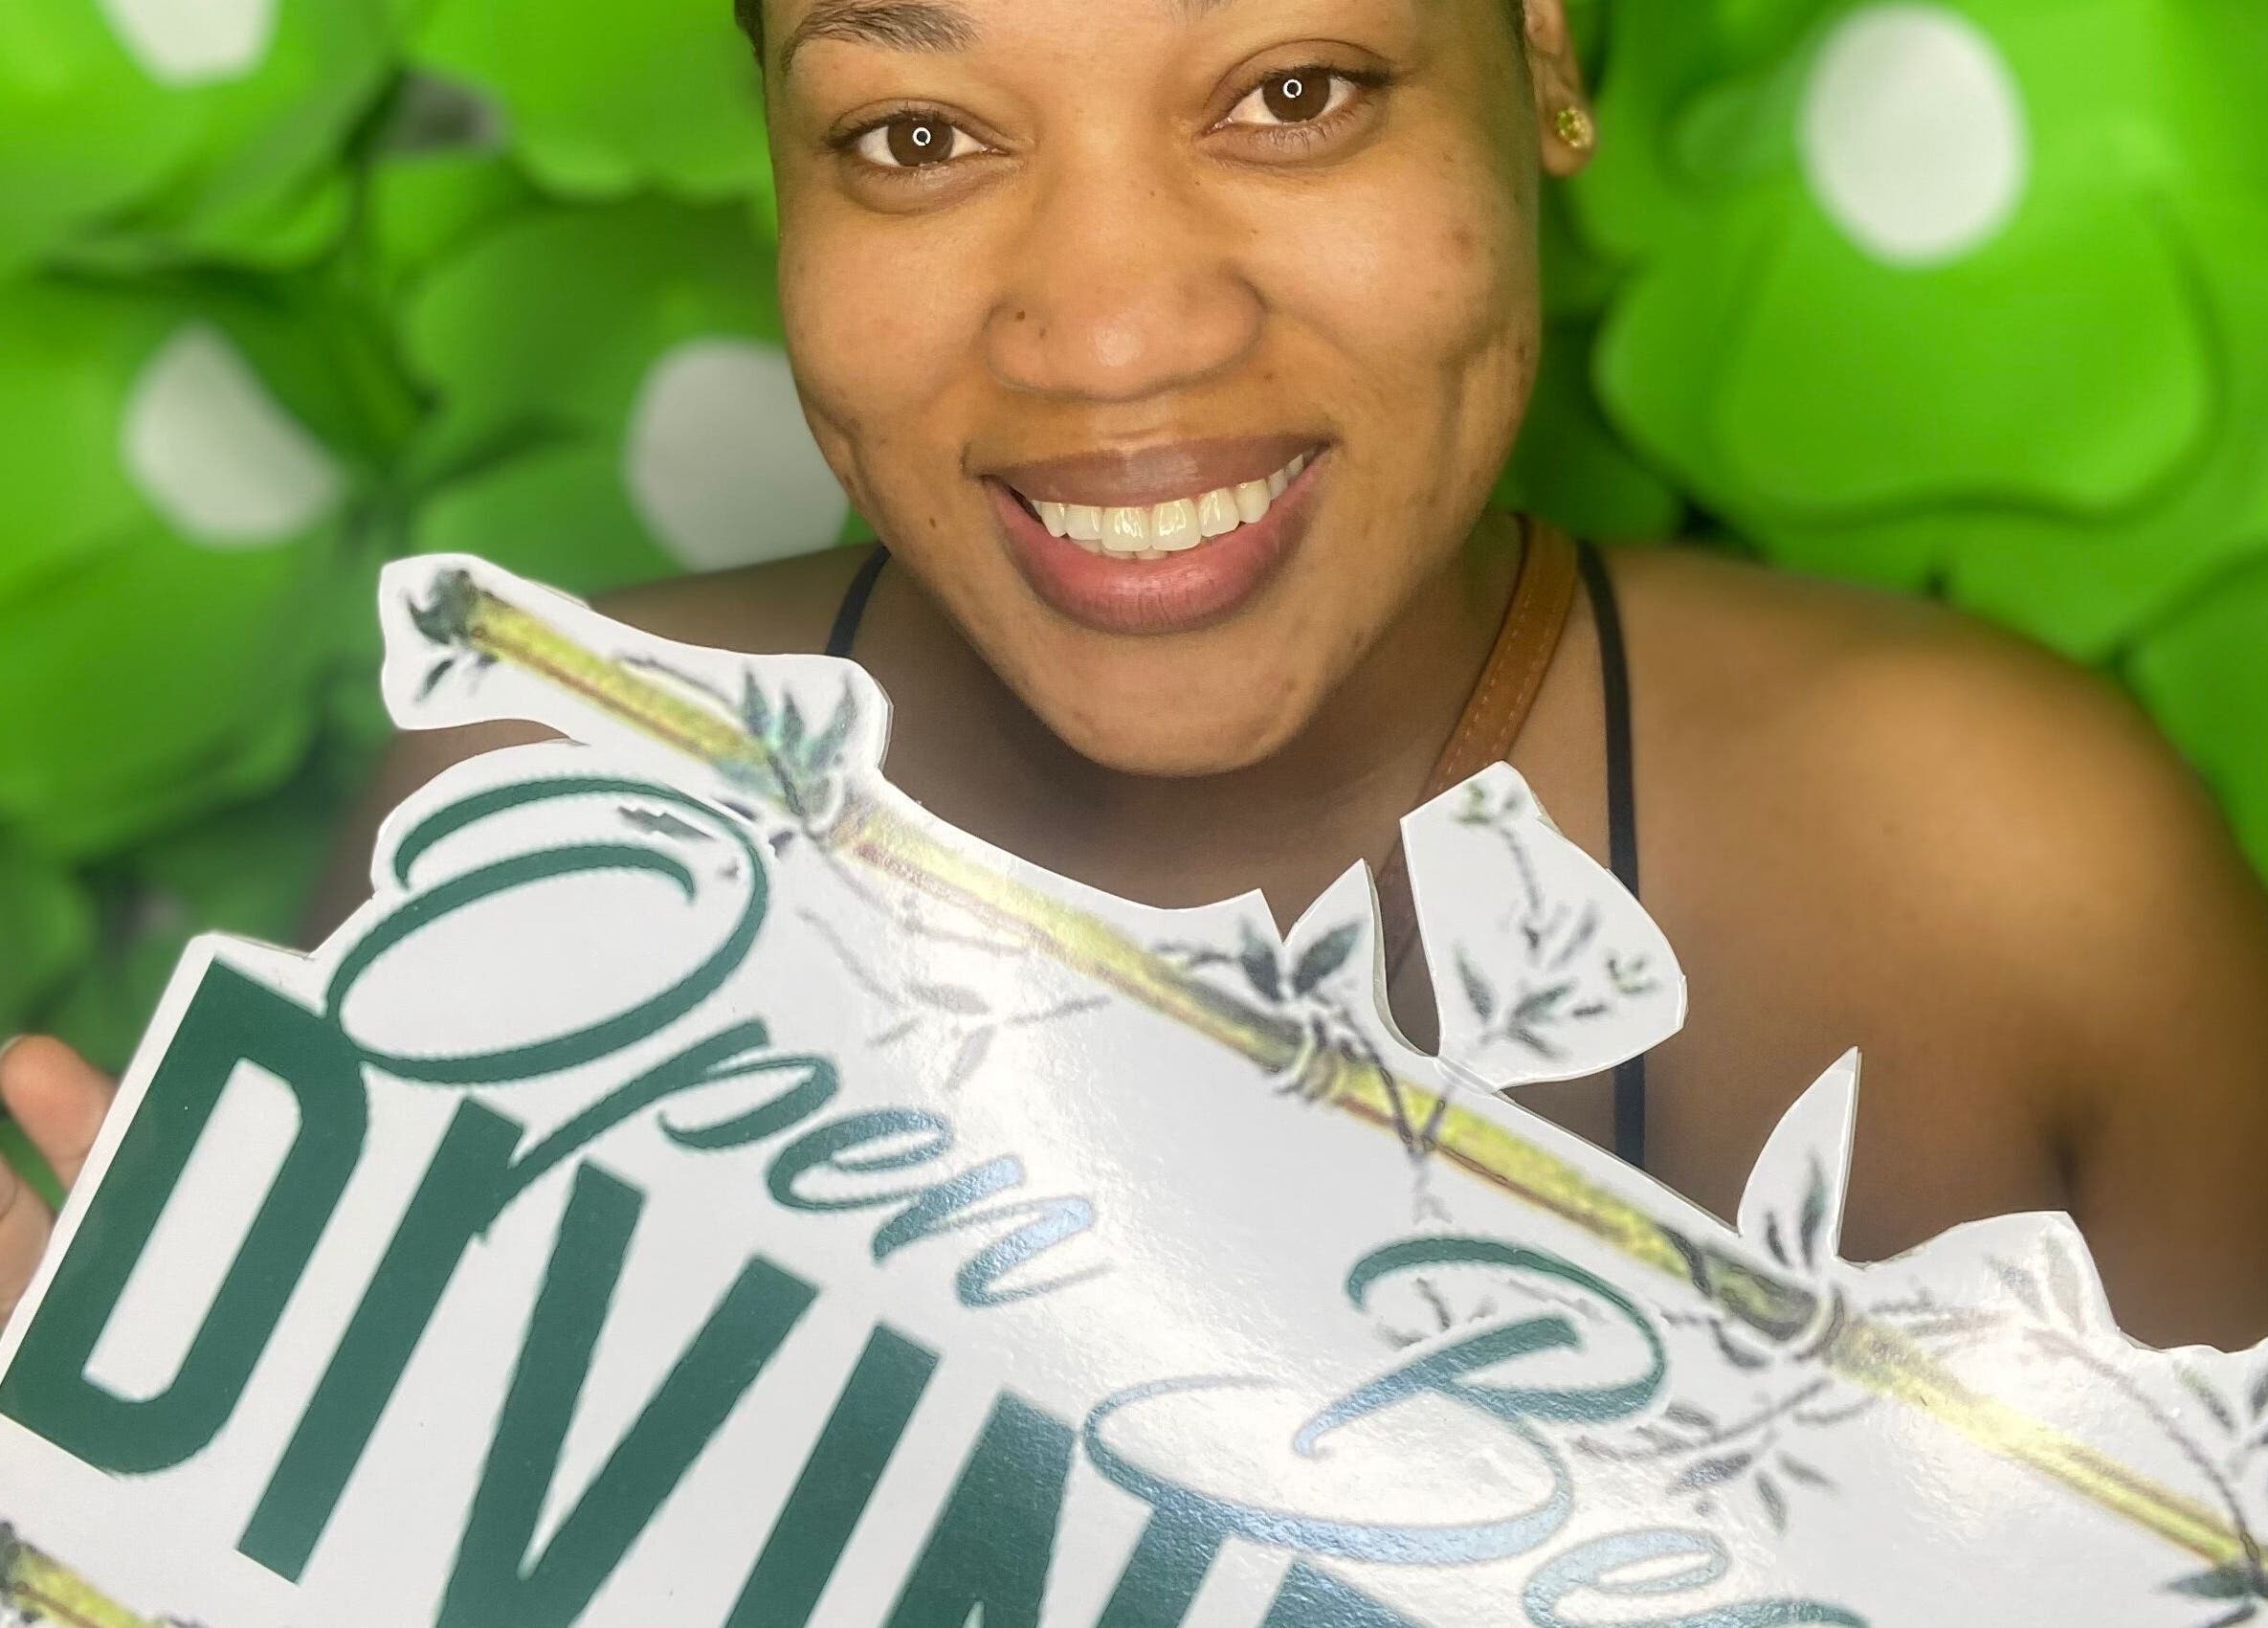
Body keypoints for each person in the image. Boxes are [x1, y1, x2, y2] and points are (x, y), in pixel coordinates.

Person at [5, 0, 2267, 1354]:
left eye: (1292, 90)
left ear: (1546, 64)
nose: (1111, 330)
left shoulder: (2016, 883)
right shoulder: (530, 803)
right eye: (915, 134)